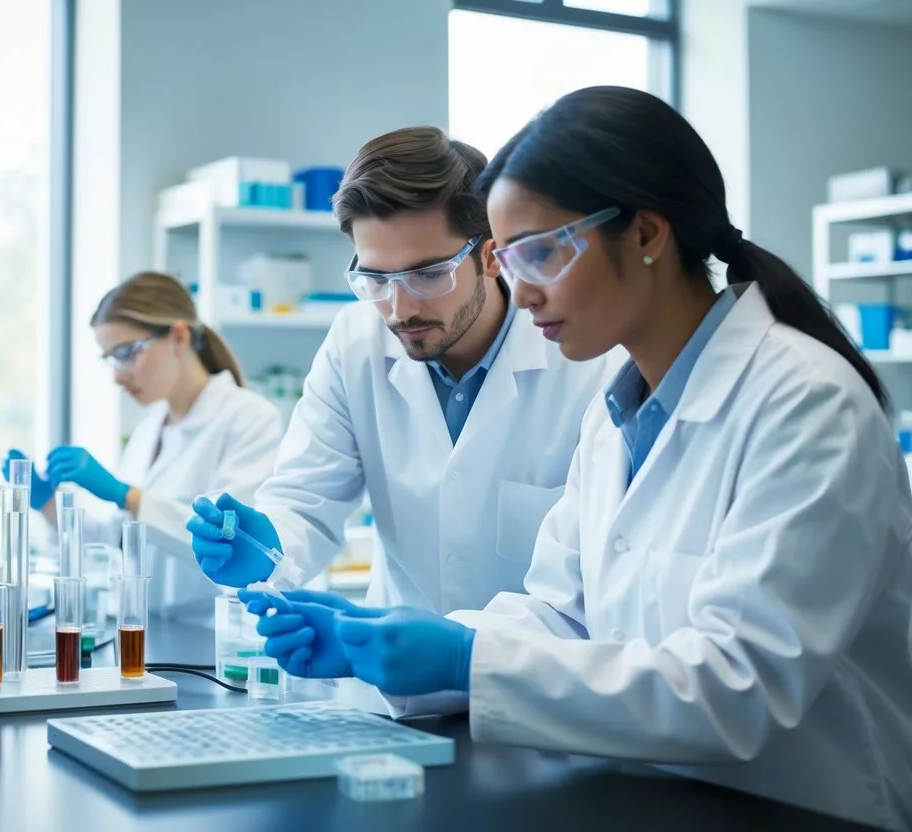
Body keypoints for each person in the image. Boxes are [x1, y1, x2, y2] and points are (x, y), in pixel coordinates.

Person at [239, 87, 912, 829]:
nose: (519, 292)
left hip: (803, 806)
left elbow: (735, 687)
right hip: (647, 797)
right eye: (507, 257)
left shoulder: (804, 403)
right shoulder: (617, 412)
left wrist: (468, 662)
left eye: (538, 253)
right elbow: (562, 610)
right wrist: (398, 643)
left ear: (646, 233)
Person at [188, 126, 615, 614]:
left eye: (429, 274)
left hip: (538, 676)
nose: (399, 308)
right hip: (395, 681)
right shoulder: (354, 342)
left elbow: (592, 577)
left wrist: (465, 654)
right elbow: (305, 502)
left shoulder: (583, 360)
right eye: (374, 278)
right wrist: (265, 548)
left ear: (491, 257)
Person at [6, 271, 281, 622]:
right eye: (110, 358)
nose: (117, 376)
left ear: (178, 336)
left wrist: (126, 495)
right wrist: (47, 505)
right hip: (148, 631)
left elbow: (232, 539)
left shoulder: (249, 418)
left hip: (213, 632)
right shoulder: (149, 430)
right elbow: (120, 542)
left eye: (126, 353)